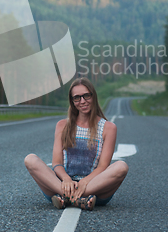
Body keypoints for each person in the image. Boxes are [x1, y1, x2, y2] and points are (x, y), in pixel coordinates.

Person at [24, 77, 129, 211]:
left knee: (121, 167)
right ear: (72, 102)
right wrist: (66, 179)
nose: (82, 101)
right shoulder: (62, 125)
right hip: (62, 184)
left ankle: (67, 198)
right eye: (77, 98)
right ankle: (78, 199)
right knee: (30, 159)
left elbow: (103, 166)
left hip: (94, 188)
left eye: (86, 96)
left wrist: (85, 182)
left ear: (93, 96)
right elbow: (57, 163)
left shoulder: (108, 128)